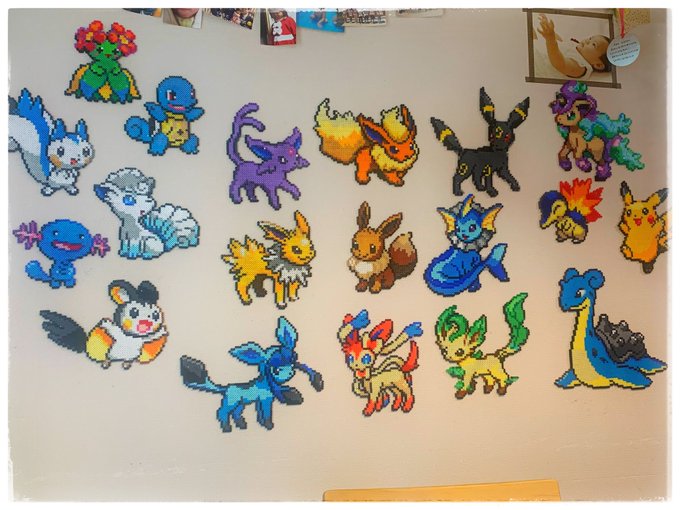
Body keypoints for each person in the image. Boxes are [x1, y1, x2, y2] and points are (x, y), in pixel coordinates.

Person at [533, 13, 611, 80]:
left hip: (537, 65)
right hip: (538, 50)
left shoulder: (581, 67)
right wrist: (548, 29)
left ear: (598, 65)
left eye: (594, 44)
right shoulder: (576, 47)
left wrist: (550, 39)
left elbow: (559, 64)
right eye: (590, 38)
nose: (587, 40)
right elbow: (561, 42)